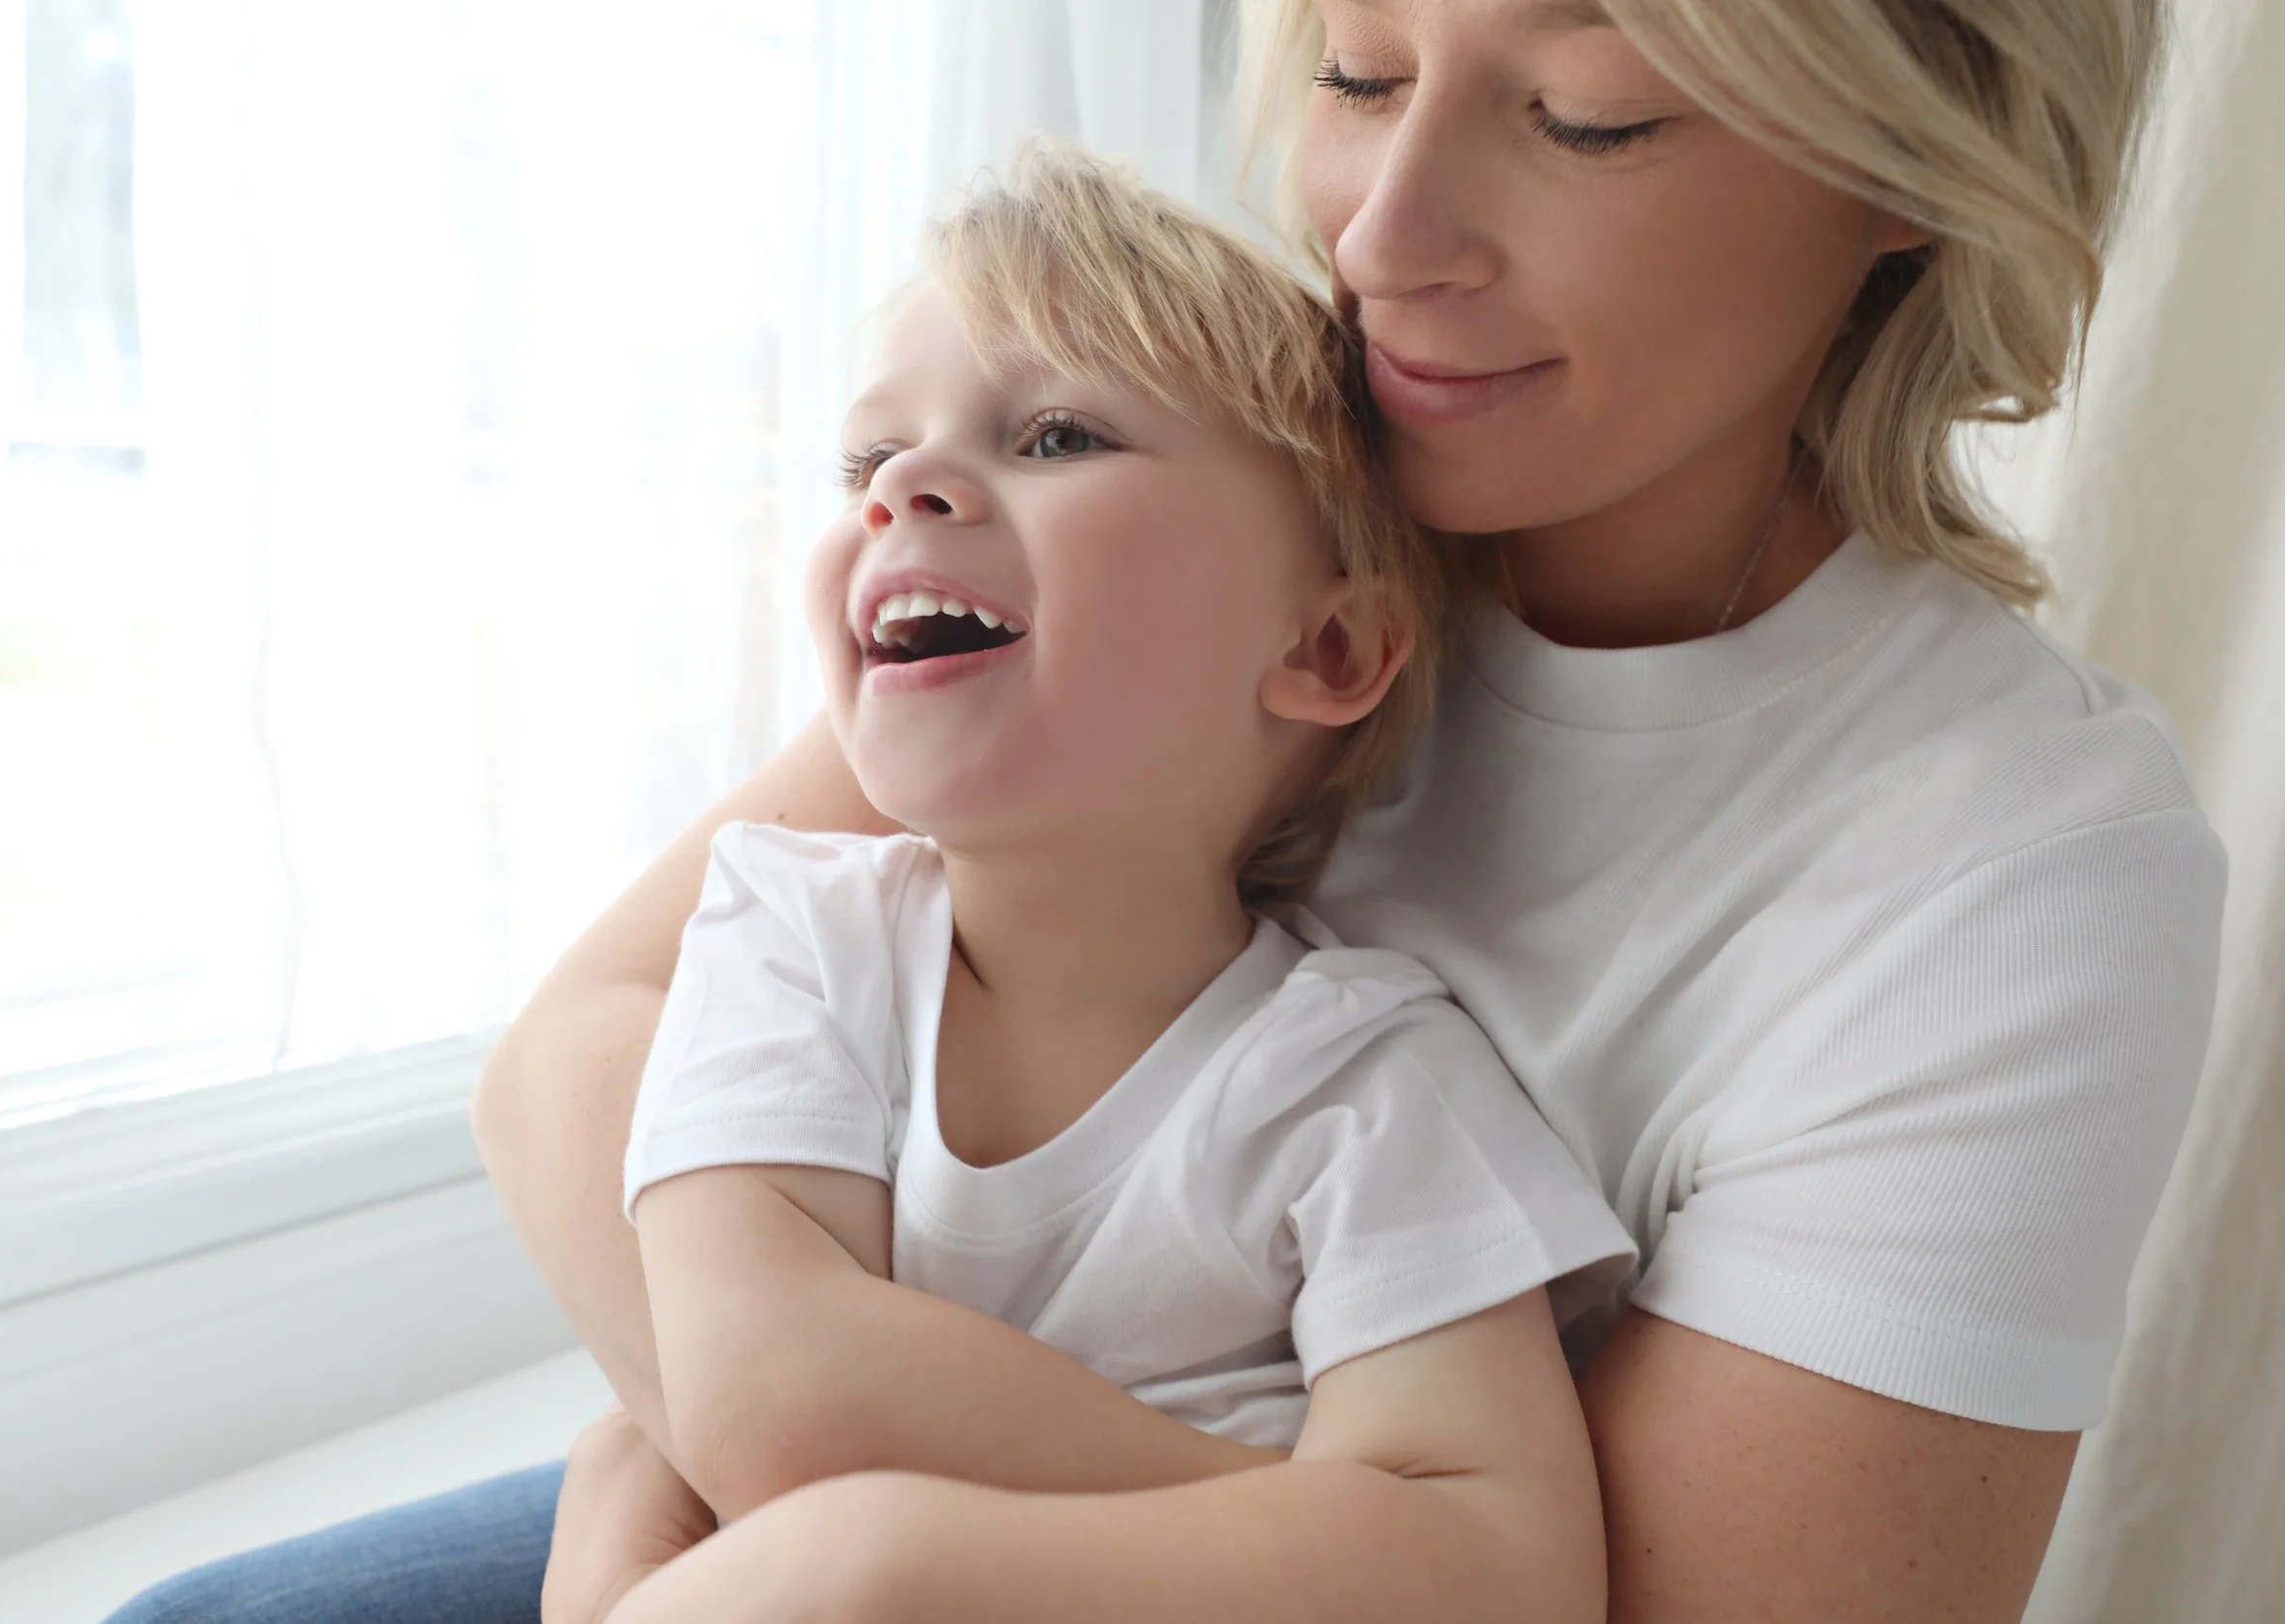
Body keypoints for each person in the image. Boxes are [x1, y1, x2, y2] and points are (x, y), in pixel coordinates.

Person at [105, 0, 2226, 1619]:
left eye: (1583, 114)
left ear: (1904, 168)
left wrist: (850, 1545)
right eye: (1359, 71)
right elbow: (579, 1058)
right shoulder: (1217, 494)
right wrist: (727, 1466)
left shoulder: (2011, 868)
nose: (1381, 244)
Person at [564, 139, 1635, 1623]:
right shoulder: (787, 940)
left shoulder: (1363, 1079)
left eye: (1057, 435)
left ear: (1324, 649)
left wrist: (874, 1562)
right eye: (871, 461)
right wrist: (1306, 1528)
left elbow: (1509, 1575)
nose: (907, 488)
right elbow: (773, 1392)